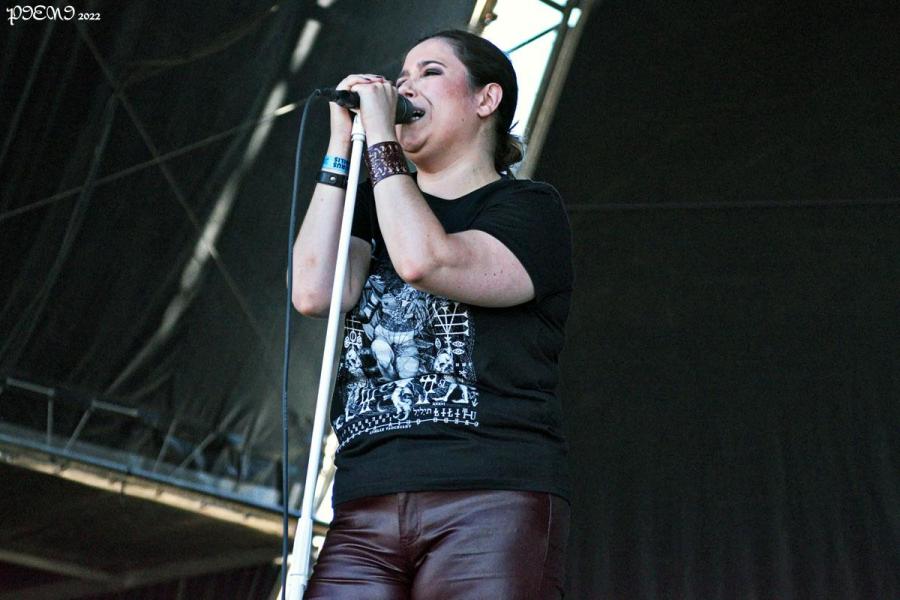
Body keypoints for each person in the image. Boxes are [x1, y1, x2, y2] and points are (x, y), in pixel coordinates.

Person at [292, 29, 573, 599]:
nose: (404, 87)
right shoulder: (370, 208)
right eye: (401, 77)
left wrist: (381, 141)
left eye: (430, 73)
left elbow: (425, 261)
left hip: (488, 496)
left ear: (486, 99)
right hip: (364, 499)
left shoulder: (527, 209)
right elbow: (314, 292)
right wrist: (342, 144)